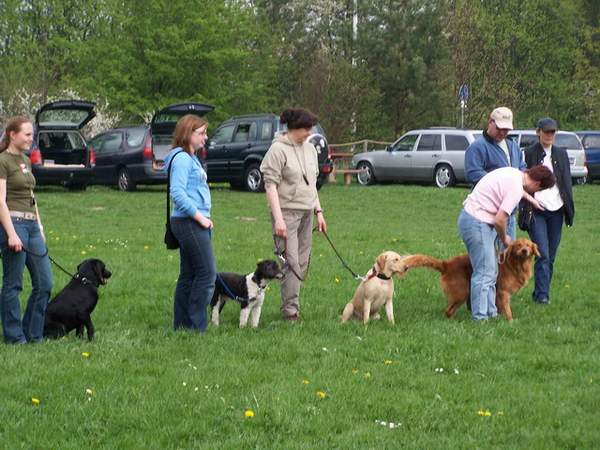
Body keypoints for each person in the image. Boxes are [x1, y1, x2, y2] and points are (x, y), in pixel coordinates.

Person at [457, 165, 556, 321]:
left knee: (491, 270)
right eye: (538, 190)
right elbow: (499, 220)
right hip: (476, 222)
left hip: (474, 218)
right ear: (537, 184)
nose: (535, 192)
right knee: (485, 271)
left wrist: (531, 200)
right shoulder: (516, 188)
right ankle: (480, 317)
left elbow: (517, 191)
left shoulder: (515, 174)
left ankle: (491, 313)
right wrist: (505, 238)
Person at [260, 108, 327, 321]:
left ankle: (292, 306)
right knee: (292, 263)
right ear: (294, 128)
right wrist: (278, 219)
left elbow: (312, 184)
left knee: (303, 262)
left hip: (307, 212)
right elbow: (270, 186)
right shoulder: (277, 150)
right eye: (306, 129)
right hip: (287, 214)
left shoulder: (310, 149)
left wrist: (319, 212)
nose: (310, 133)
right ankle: (290, 312)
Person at [0, 116, 53, 343]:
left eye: (32, 134)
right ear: (13, 135)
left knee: (45, 283)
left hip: (31, 226)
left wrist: (39, 225)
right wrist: (11, 234)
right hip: (14, 224)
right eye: (27, 134)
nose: (31, 139)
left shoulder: (25, 160)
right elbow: (0, 201)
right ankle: (14, 336)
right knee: (13, 284)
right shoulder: (2, 160)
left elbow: (31, 196)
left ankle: (33, 334)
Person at [163, 114, 215, 332]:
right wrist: (200, 217)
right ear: (187, 133)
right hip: (189, 222)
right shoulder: (183, 159)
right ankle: (196, 327)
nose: (205, 137)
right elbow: (177, 193)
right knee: (207, 274)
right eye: (201, 133)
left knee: (189, 274)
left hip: (188, 222)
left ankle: (182, 326)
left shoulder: (190, 157)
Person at [523, 118, 574, 305]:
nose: (549, 135)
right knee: (542, 252)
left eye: (552, 132)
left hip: (556, 210)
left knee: (550, 255)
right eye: (546, 131)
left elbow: (566, 182)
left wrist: (569, 209)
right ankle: (543, 297)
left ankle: (540, 292)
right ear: (538, 132)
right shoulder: (529, 153)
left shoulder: (561, 154)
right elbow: (523, 180)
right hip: (536, 209)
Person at [464, 107, 527, 238]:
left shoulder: (513, 146)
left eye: (506, 129)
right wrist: (501, 183)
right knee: (489, 250)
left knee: (509, 250)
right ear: (490, 122)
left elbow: (522, 168)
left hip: (509, 213)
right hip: (487, 214)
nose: (502, 132)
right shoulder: (477, 147)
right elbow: (473, 174)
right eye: (499, 128)